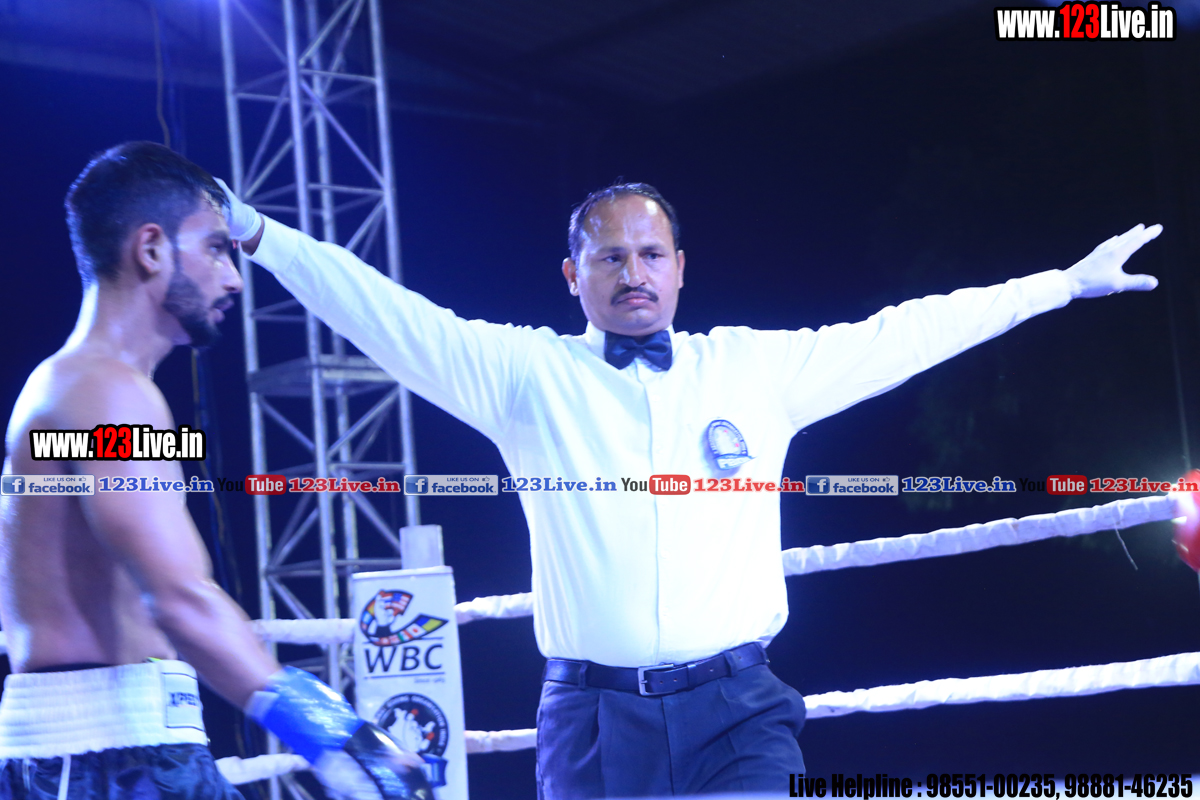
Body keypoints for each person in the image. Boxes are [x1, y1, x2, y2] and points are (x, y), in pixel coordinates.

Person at [222, 180, 1160, 797]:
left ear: (679, 268)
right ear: (573, 275)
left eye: (650, 253)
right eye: (611, 256)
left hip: (738, 711)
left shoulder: (754, 370)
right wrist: (261, 236)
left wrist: (1059, 285)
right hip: (591, 720)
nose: (633, 273)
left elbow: (906, 333)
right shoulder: (523, 376)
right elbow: (386, 315)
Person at [0, 142, 431, 800]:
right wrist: (333, 733)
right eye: (216, 249)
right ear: (151, 249)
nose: (233, 278)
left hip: (123, 745)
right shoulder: (105, 394)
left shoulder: (86, 390)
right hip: (101, 756)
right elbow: (176, 597)